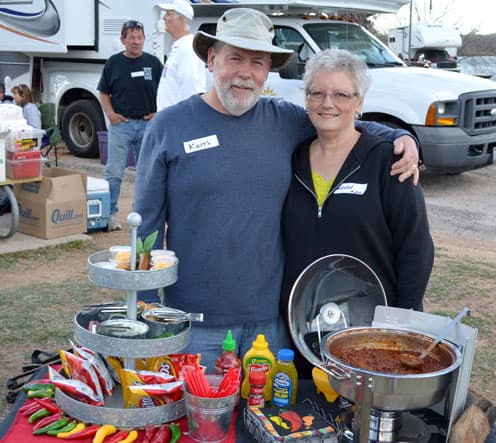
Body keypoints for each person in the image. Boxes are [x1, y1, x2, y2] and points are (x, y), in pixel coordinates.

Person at [133, 8, 420, 369]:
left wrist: (401, 136)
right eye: (234, 58)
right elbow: (143, 226)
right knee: (203, 422)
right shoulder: (170, 126)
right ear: (211, 59)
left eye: (257, 62)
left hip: (269, 326)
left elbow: (337, 119)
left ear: (268, 70)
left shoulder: (283, 120)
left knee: (265, 422)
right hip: (194, 323)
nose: (245, 73)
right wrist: (143, 308)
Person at [280, 49, 434, 377]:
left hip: (371, 329)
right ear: (306, 99)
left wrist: (401, 323)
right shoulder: (291, 160)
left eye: (340, 94)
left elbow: (415, 247)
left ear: (359, 102)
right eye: (317, 93)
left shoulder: (387, 163)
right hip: (303, 326)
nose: (327, 103)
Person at [97, 20, 163, 231]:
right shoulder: (113, 63)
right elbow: (104, 92)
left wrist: (158, 113)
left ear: (144, 39)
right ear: (123, 40)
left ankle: (144, 215)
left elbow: (165, 90)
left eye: (139, 37)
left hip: (148, 125)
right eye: (132, 37)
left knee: (147, 173)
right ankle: (109, 217)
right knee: (114, 173)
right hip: (121, 126)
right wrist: (110, 114)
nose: (136, 41)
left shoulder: (154, 63)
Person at [156, 0, 206, 111]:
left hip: (178, 122)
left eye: (168, 14)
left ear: (181, 18)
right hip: (171, 119)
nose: (164, 18)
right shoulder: (181, 46)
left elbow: (190, 89)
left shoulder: (187, 47)